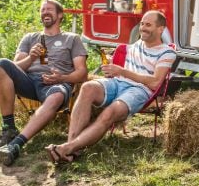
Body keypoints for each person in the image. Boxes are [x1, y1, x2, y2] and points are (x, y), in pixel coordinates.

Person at [46, 10, 176, 164]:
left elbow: (155, 82)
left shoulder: (167, 52)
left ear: (161, 29)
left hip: (139, 90)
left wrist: (122, 71)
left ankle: (67, 149)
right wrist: (112, 65)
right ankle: (70, 149)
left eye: (148, 25)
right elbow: (119, 59)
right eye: (141, 24)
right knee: (87, 87)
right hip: (118, 82)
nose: (143, 28)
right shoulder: (136, 44)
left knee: (110, 113)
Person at [0, 0, 88, 165]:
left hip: (56, 82)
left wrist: (62, 78)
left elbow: (82, 73)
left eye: (49, 9)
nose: (45, 13)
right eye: (42, 10)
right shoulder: (30, 38)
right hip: (28, 81)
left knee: (57, 96)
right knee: (0, 65)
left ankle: (16, 144)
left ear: (60, 15)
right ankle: (9, 129)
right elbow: (15, 67)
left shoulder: (72, 38)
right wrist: (31, 57)